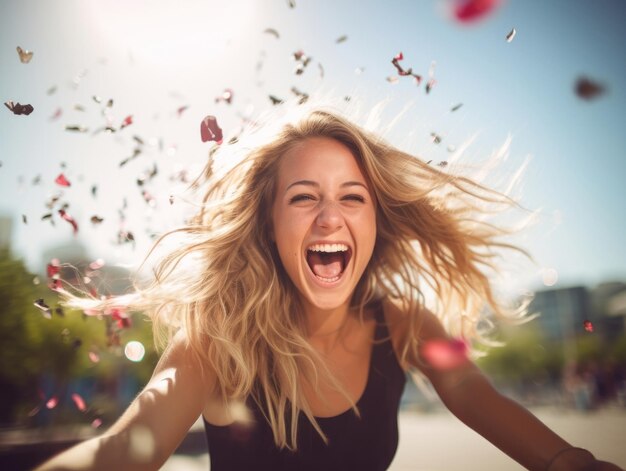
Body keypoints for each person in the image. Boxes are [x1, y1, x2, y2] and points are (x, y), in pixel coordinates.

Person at [36, 105, 623, 470]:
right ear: (267, 223)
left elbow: (472, 390)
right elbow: (122, 450)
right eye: (302, 197)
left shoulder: (407, 325)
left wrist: (569, 461)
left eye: (351, 197)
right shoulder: (216, 343)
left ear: (374, 220)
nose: (329, 217)